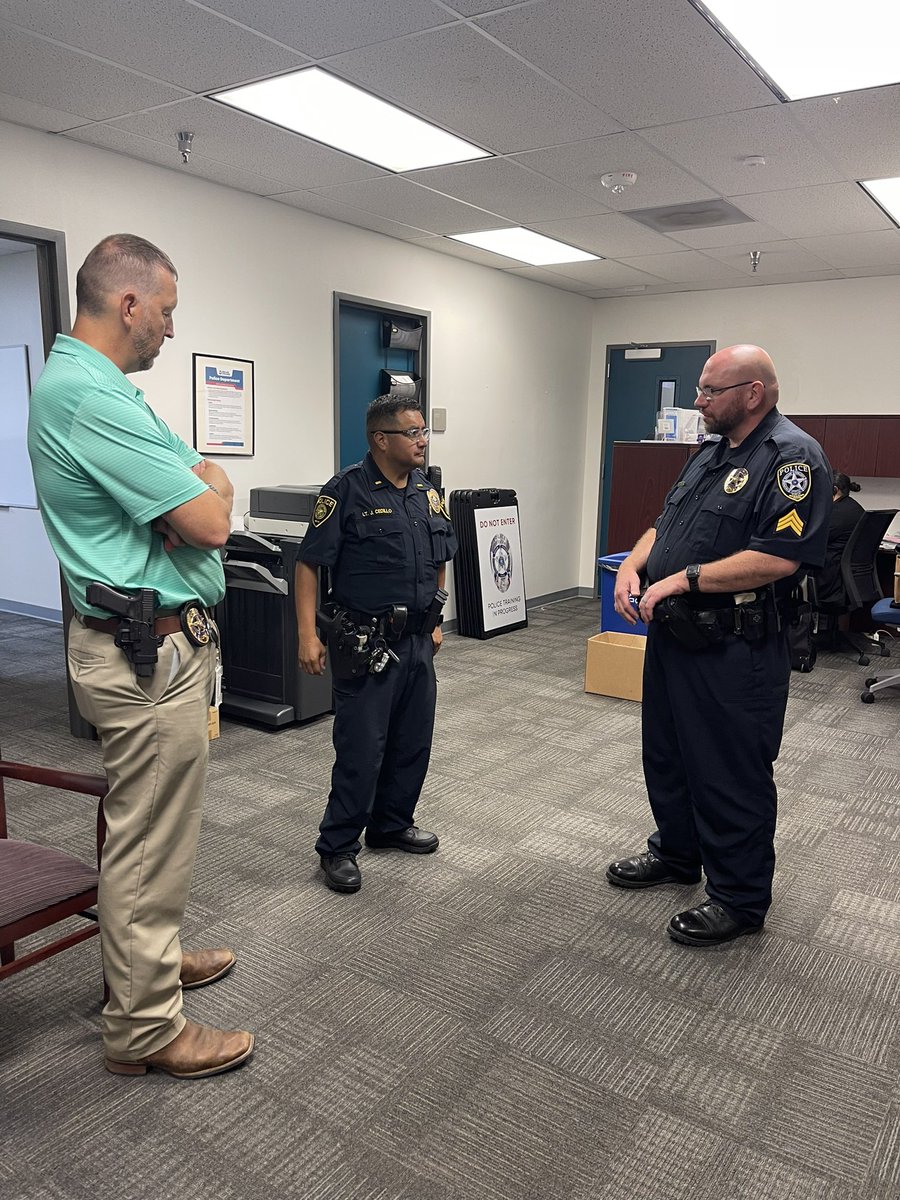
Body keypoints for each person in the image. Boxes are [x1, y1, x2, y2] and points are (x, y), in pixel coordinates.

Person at [27, 234, 254, 1078]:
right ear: (129, 305)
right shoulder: (88, 400)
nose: (168, 328)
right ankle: (146, 1027)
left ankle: (147, 969)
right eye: (165, 311)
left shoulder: (102, 388)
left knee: (156, 834)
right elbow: (210, 520)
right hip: (142, 658)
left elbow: (208, 480)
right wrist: (183, 506)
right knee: (146, 844)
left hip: (157, 648)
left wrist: (188, 498)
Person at [607, 345, 831, 946]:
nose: (698, 402)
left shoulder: (792, 459)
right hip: (679, 638)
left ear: (752, 393)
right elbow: (667, 523)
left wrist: (685, 578)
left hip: (737, 648)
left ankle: (738, 896)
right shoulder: (709, 454)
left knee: (729, 772)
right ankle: (678, 853)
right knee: (670, 754)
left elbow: (779, 557)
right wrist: (633, 564)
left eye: (710, 391)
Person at [295, 396, 458, 893]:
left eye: (424, 431)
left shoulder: (427, 492)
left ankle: (390, 824)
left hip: (417, 643)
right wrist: (307, 634)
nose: (422, 440)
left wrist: (437, 616)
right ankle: (338, 846)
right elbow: (308, 564)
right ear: (380, 439)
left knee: (413, 742)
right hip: (365, 644)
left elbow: (441, 554)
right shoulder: (346, 491)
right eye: (412, 432)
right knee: (362, 749)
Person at [813, 471, 865, 606]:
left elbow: (811, 541)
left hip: (828, 579)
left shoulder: (835, 514)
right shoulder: (855, 508)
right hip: (845, 579)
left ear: (834, 490)